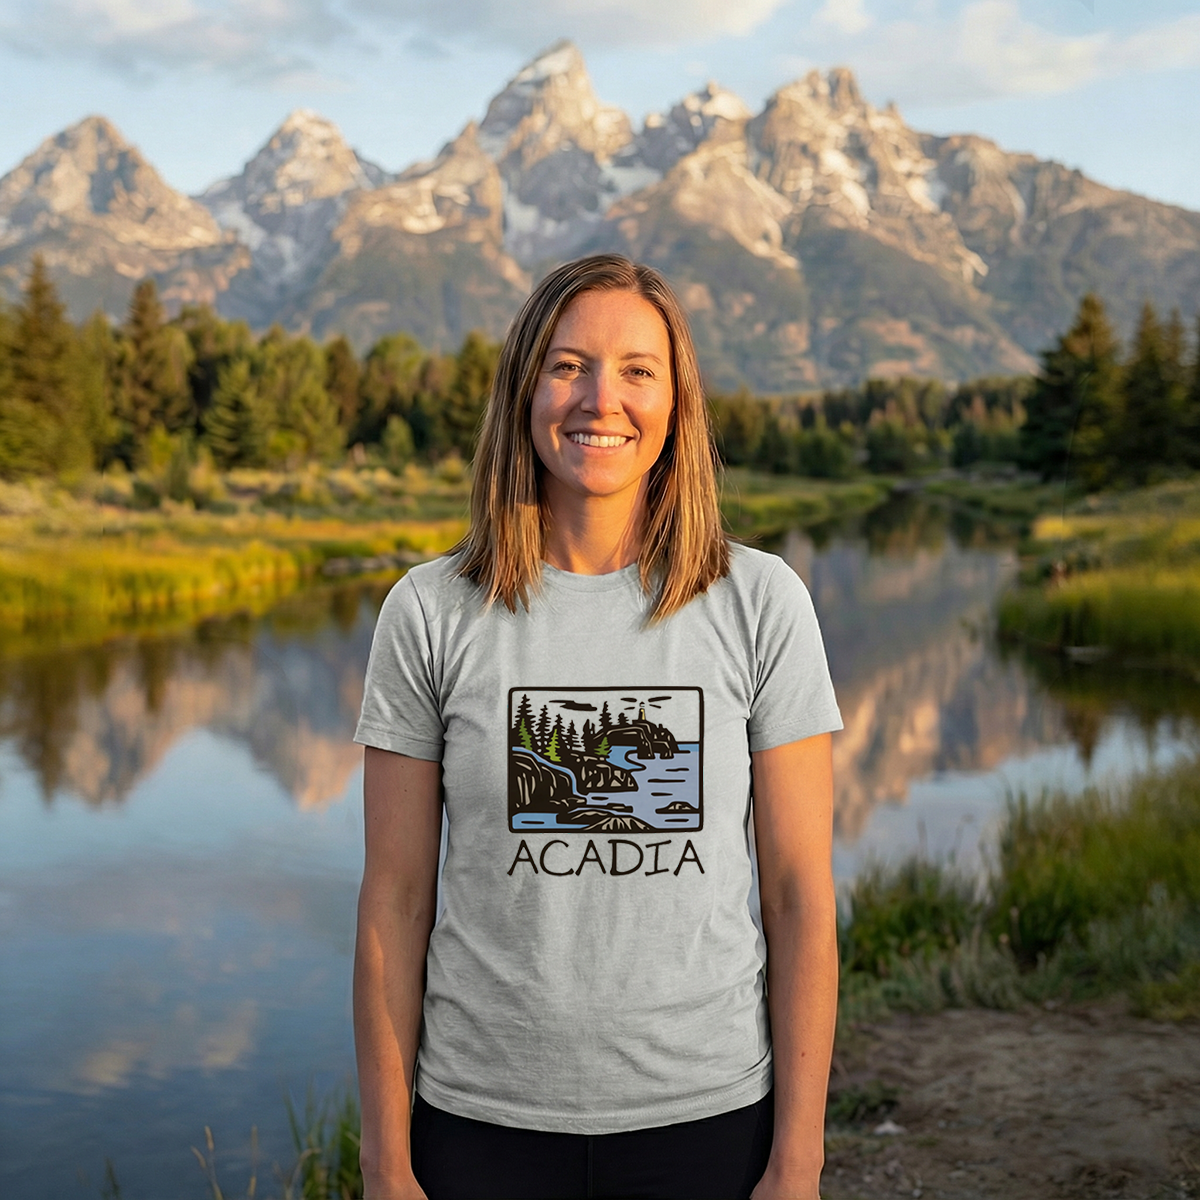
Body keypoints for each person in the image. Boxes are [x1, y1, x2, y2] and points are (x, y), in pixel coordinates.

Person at [352, 254, 841, 1200]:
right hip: (477, 1125)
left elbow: (796, 899)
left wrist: (799, 1159)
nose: (600, 399)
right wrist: (385, 1164)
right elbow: (394, 907)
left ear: (677, 401)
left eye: (637, 370)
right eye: (568, 365)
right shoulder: (428, 613)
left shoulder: (761, 603)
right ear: (525, 388)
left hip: (708, 1121)